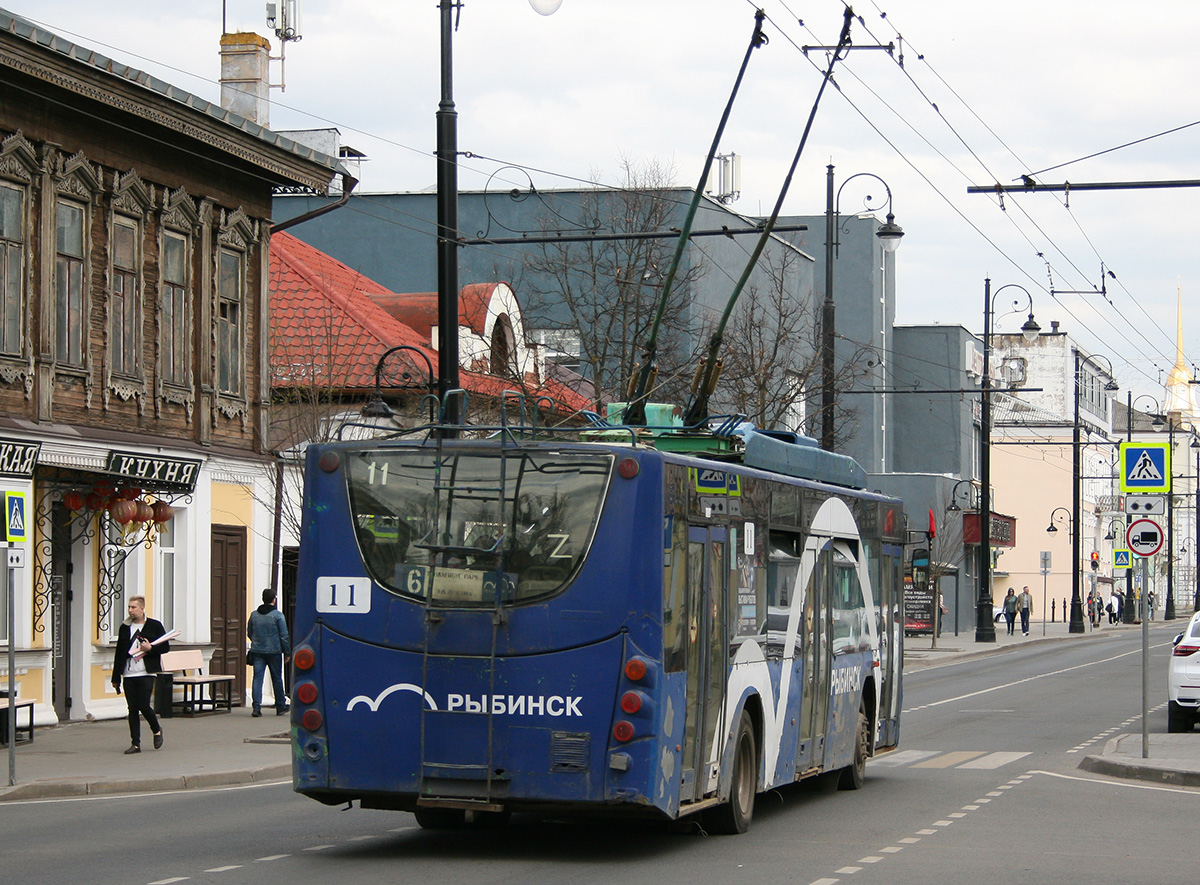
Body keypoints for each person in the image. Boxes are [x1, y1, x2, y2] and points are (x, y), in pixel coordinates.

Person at [111, 596, 168, 754]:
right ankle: (135, 744)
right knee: (132, 709)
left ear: (142, 608)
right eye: (129, 607)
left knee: (143, 704)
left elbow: (165, 647)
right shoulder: (125, 627)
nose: (130, 610)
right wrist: (116, 677)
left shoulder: (154, 626)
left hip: (146, 672)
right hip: (129, 673)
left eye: (133, 607)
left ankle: (156, 729)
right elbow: (119, 652)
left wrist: (150, 648)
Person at [248, 588, 291, 717]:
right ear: (274, 599)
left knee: (257, 678)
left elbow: (250, 632)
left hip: (257, 651)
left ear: (263, 599)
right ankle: (280, 706)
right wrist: (287, 652)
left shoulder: (254, 615)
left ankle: (256, 707)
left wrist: (257, 641)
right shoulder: (278, 616)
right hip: (274, 651)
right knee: (277, 679)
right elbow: (284, 635)